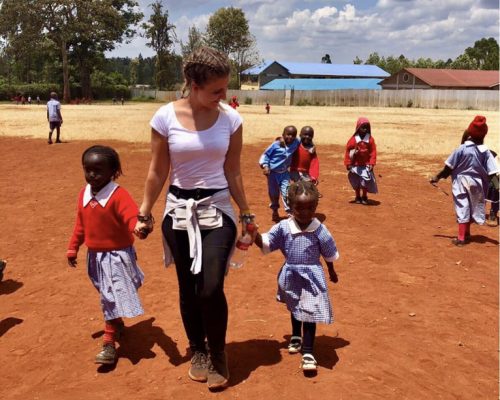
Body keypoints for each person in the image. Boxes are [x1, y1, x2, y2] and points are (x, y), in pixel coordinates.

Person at [134, 46, 253, 391]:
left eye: (225, 88)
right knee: (189, 287)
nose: (224, 96)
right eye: (216, 90)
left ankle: (218, 354)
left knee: (211, 286)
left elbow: (233, 171)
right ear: (192, 84)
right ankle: (197, 350)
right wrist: (145, 211)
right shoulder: (165, 118)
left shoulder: (231, 120)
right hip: (178, 213)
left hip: (217, 210)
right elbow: (158, 171)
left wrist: (245, 212)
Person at [67, 145, 145, 365]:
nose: (92, 174)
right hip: (95, 258)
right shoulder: (84, 194)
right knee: (105, 291)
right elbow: (80, 225)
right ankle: (116, 321)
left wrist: (138, 228)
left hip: (117, 255)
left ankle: (109, 343)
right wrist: (73, 246)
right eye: (87, 169)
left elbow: (131, 217)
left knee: (109, 295)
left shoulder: (118, 195)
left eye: (98, 170)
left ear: (113, 172)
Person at [253, 180, 339, 372]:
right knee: (295, 305)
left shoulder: (319, 229)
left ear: (316, 207)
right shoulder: (284, 227)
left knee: (309, 311)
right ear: (290, 207)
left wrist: (332, 271)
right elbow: (266, 243)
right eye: (299, 208)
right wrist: (253, 233)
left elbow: (328, 252)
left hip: (312, 276)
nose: (305, 212)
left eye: (310, 208)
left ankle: (308, 351)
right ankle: (295, 335)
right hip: (291, 274)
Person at [430, 116, 498, 246]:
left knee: (463, 207)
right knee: (472, 208)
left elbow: (448, 167)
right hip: (478, 184)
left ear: (470, 133)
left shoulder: (461, 149)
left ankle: (461, 238)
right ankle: (466, 233)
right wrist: (498, 187)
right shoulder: (486, 152)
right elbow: (492, 173)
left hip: (461, 183)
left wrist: (437, 177)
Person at [259, 126, 300, 222]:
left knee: (286, 193)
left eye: (293, 135)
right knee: (273, 194)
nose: (290, 137)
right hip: (272, 174)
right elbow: (266, 155)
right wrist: (265, 166)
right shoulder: (276, 145)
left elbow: (302, 139)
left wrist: (311, 145)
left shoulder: (295, 143)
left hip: (284, 173)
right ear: (283, 135)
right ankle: (275, 211)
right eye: (288, 134)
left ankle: (290, 213)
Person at [344, 117, 378, 205]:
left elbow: (373, 152)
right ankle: (357, 196)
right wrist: (348, 163)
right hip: (355, 165)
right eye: (363, 127)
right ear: (358, 128)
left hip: (365, 166)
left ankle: (364, 196)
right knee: (356, 182)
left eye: (367, 127)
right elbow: (348, 152)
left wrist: (371, 163)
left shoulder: (370, 140)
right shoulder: (353, 140)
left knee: (364, 182)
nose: (365, 129)